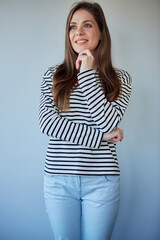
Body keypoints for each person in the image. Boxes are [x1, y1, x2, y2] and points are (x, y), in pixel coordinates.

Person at [39, 1, 132, 240]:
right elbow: (48, 124)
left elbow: (107, 122)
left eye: (87, 25)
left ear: (101, 33)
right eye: (72, 26)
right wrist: (101, 137)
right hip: (58, 180)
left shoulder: (120, 78)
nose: (78, 32)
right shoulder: (54, 75)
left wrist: (88, 74)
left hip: (102, 182)